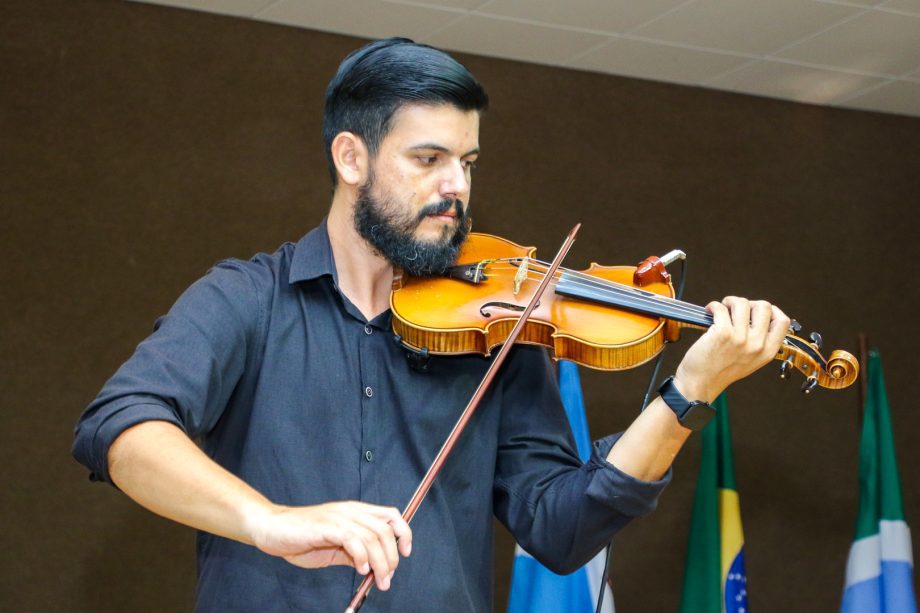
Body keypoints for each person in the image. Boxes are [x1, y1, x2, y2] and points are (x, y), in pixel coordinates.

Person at [73, 38, 790, 612]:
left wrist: (687, 391)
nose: (457, 184)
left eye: (467, 160)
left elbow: (562, 526)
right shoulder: (247, 299)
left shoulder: (498, 328)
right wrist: (271, 520)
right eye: (428, 158)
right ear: (351, 157)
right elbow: (122, 427)